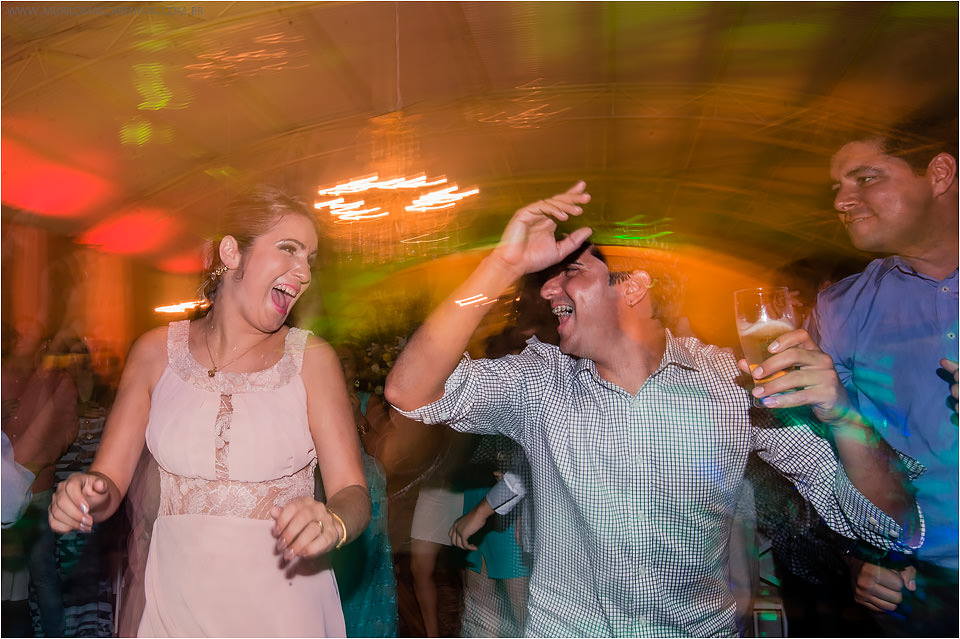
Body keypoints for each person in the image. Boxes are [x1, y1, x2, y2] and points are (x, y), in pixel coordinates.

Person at [385, 181, 922, 636]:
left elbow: (887, 521)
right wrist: (500, 265)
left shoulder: (732, 384)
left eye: (570, 271)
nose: (548, 288)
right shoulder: (539, 381)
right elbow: (409, 392)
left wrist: (843, 416)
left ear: (634, 287)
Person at [48, 186, 371, 636]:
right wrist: (82, 494)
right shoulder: (153, 353)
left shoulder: (312, 360)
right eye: (289, 250)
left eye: (309, 261)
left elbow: (353, 491)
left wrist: (334, 521)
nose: (304, 274)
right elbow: (109, 483)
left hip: (281, 608)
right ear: (232, 252)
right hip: (175, 604)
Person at [810, 103, 959, 636]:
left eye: (865, 179)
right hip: (921, 590)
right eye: (836, 188)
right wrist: (857, 553)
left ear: (939, 174)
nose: (843, 202)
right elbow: (827, 456)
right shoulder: (840, 310)